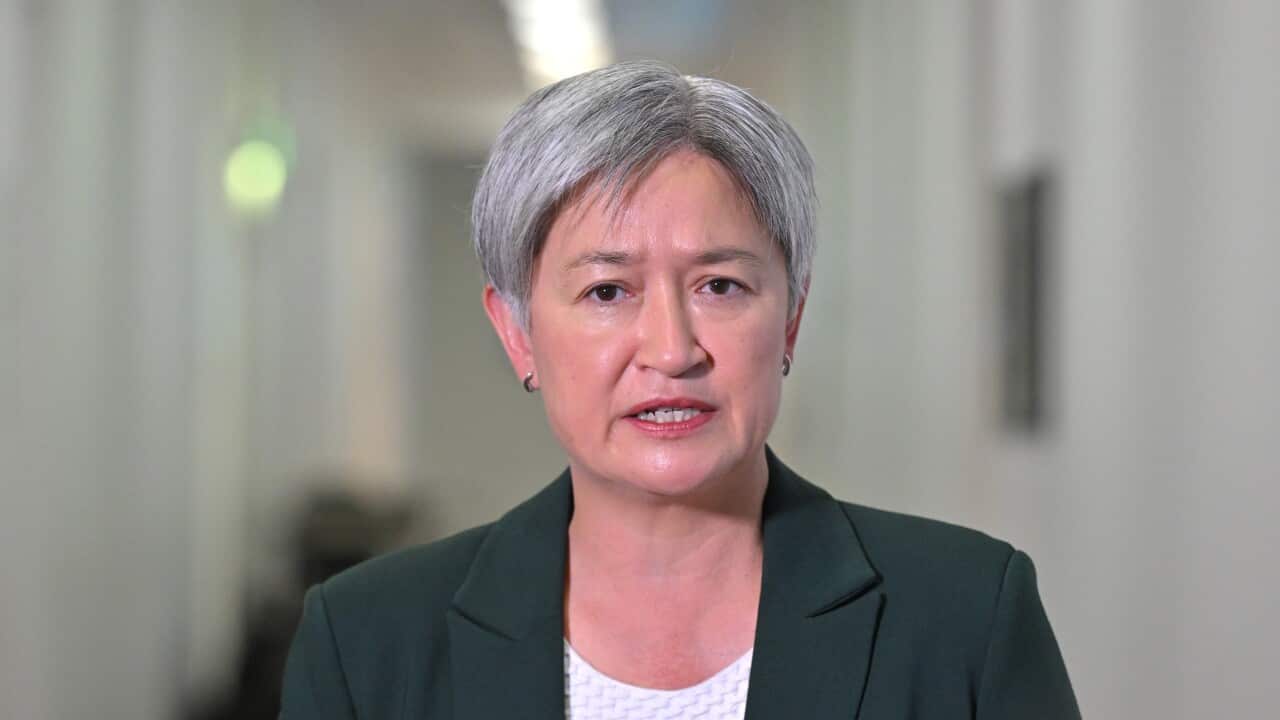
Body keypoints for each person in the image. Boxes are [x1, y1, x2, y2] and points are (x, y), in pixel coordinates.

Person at [280, 60, 1080, 719]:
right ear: (518, 332)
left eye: (722, 286)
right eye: (606, 292)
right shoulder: (367, 641)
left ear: (792, 320)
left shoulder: (966, 617)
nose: (671, 350)